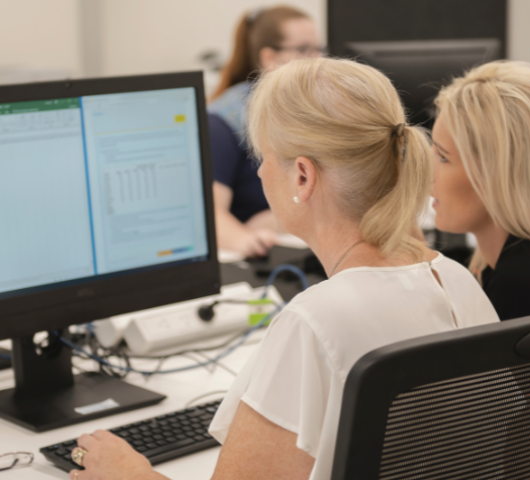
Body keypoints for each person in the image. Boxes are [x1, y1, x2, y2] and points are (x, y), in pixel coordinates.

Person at [68, 58, 499, 480]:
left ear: (303, 177)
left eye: (266, 156)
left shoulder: (315, 321)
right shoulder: (457, 280)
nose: (258, 170)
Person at [432, 60, 530, 321]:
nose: (427, 173)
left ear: (501, 174)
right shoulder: (522, 268)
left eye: (443, 158)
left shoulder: (522, 289)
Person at [208, 6, 322, 257]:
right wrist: (247, 239)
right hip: (260, 258)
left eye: (318, 49)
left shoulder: (313, 112)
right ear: (270, 58)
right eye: (303, 50)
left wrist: (278, 219)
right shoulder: (224, 121)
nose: (316, 59)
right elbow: (210, 214)